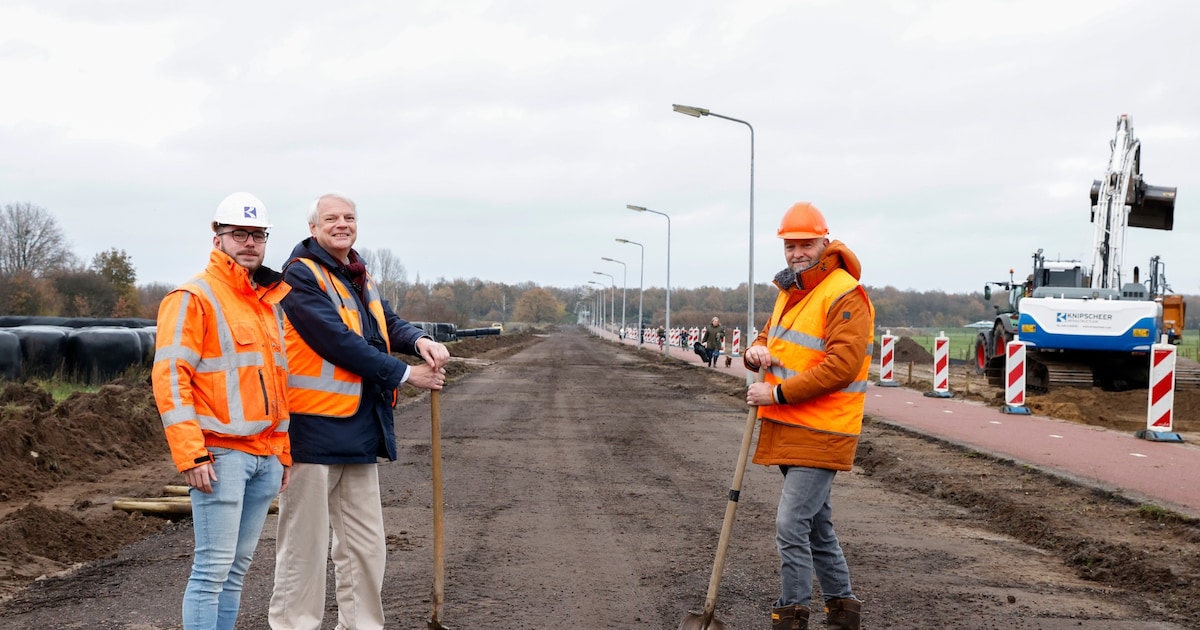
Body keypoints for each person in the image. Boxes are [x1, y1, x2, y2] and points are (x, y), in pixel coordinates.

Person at [269, 192, 451, 630]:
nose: (341, 224)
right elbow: (337, 342)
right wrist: (405, 374)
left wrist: (419, 340)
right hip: (312, 433)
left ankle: (362, 625)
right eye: (331, 218)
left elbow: (386, 322)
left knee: (365, 547)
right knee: (304, 548)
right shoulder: (299, 276)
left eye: (348, 217)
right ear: (313, 228)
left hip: (360, 429)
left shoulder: (357, 274)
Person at [152, 192, 292, 630]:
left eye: (258, 235)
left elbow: (276, 385)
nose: (249, 243)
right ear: (218, 238)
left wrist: (282, 451)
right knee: (211, 571)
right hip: (220, 457)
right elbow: (170, 379)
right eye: (239, 234)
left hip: (264, 457)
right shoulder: (192, 297)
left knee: (236, 570)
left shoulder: (266, 302)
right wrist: (191, 454)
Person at [742, 201, 873, 630]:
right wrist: (755, 351)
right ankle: (843, 612)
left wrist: (776, 393)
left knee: (791, 524)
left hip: (824, 428)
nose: (797, 253)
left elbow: (841, 367)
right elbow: (769, 336)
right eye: (790, 245)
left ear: (824, 242)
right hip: (790, 427)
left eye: (806, 244)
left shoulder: (844, 293)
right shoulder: (791, 290)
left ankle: (791, 616)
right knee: (816, 526)